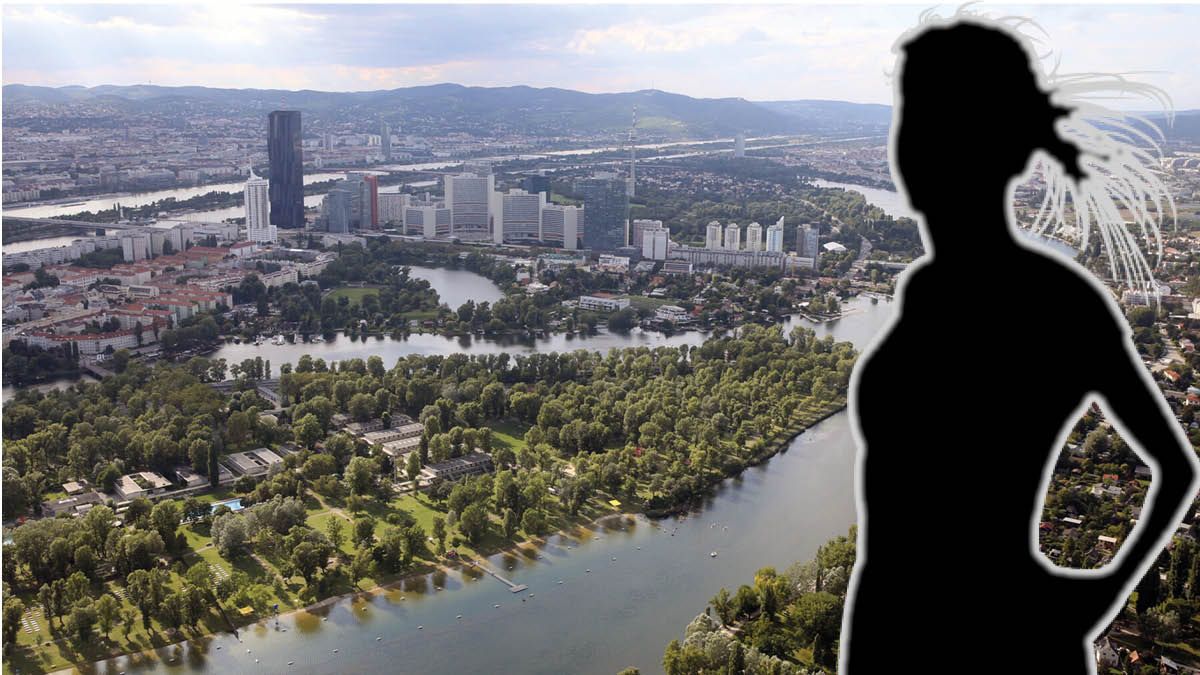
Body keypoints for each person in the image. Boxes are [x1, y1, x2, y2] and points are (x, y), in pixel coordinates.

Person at [841, 13, 1199, 674]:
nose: (916, 146)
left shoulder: (1058, 304)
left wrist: (1100, 596)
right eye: (912, 121)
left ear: (1000, 150)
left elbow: (1176, 467)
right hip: (888, 629)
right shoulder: (925, 292)